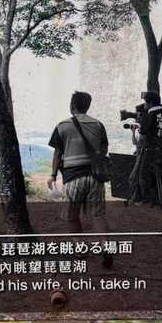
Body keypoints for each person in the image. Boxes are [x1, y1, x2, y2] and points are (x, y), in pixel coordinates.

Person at [48, 91, 111, 239]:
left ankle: (79, 248)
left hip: (73, 177)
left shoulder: (62, 126)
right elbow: (104, 150)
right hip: (96, 176)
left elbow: (57, 153)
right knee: (98, 215)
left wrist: (53, 175)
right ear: (88, 106)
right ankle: (105, 245)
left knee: (71, 216)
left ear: (72, 106)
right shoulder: (98, 125)